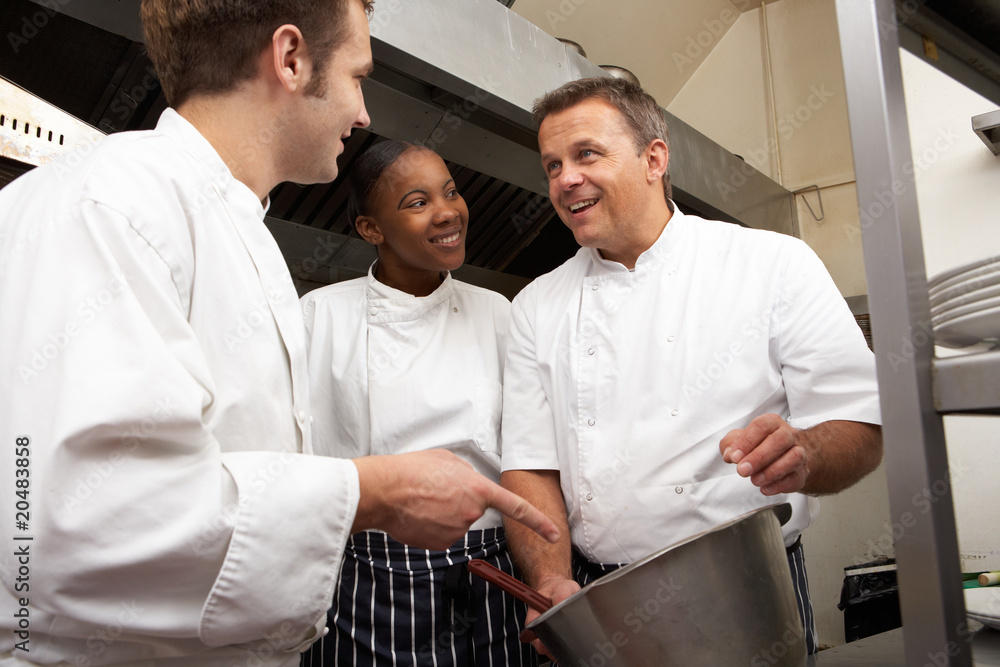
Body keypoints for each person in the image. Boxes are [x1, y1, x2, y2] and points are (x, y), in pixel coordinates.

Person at [0, 2, 557, 665]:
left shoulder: (238, 229)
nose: (364, 114)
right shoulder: (114, 202)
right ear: (290, 59)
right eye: (357, 76)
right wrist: (375, 492)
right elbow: (76, 526)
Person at [500, 76, 883, 657]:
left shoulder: (772, 263)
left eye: (586, 154)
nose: (565, 179)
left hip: (751, 589)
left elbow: (861, 424)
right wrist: (550, 578)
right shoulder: (535, 306)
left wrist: (806, 453)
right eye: (552, 165)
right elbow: (531, 467)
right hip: (604, 598)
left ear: (654, 159)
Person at [299, 140, 536, 667]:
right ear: (371, 229)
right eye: (418, 202)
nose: (447, 212)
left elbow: (527, 452)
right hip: (365, 573)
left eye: (450, 192)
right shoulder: (320, 316)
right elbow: (291, 455)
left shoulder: (496, 313)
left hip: (488, 569)